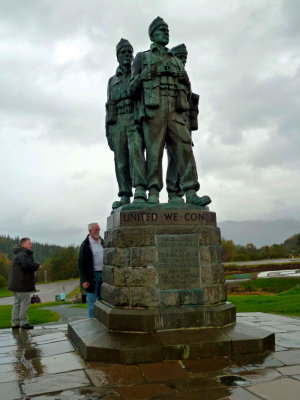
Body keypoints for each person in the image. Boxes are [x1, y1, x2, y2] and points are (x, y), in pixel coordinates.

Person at [130, 17, 211, 207]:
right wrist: (142, 76)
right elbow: (131, 90)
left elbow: (188, 92)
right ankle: (153, 193)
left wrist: (185, 80)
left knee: (184, 148)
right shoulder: (143, 57)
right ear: (152, 34)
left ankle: (190, 192)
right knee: (154, 151)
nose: (165, 33)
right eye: (161, 30)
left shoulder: (176, 60)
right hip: (154, 109)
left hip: (175, 109)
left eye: (167, 30)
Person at [106, 38, 147, 209]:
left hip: (133, 117)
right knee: (120, 160)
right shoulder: (112, 80)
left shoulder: (137, 73)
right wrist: (108, 131)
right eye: (123, 52)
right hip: (117, 123)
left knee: (136, 153)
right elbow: (109, 106)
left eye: (129, 52)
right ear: (117, 56)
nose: (127, 55)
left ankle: (140, 189)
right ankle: (124, 194)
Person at [166, 43, 200, 203]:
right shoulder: (172, 78)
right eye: (180, 57)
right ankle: (174, 191)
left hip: (184, 123)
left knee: (184, 155)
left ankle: (182, 191)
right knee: (174, 159)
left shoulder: (184, 78)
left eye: (185, 58)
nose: (183, 61)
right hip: (170, 121)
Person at [8, 237, 40, 329]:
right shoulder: (23, 254)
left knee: (17, 304)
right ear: (23, 244)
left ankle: (15, 323)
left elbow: (26, 265)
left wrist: (34, 265)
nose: (31, 245)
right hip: (22, 284)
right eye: (29, 243)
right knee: (24, 304)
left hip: (16, 285)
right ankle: (24, 322)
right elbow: (26, 265)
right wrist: (37, 265)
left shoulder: (19, 254)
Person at [78, 223, 104, 318]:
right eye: (95, 229)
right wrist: (84, 280)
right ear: (90, 231)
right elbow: (80, 264)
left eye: (99, 229)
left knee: (103, 301)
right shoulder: (85, 245)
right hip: (91, 277)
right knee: (92, 302)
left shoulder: (102, 242)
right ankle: (92, 323)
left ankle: (102, 322)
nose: (98, 231)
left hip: (104, 275)